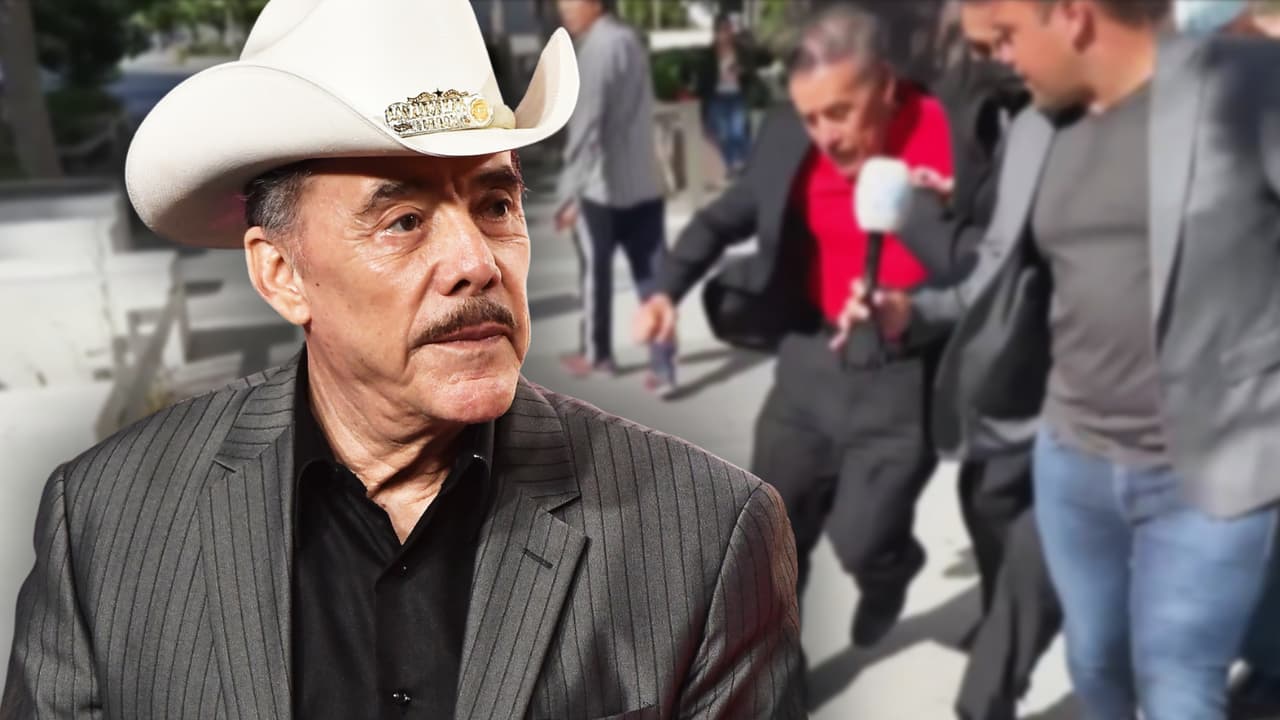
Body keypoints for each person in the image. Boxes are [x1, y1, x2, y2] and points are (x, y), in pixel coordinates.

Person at [0, 1, 806, 717]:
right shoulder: (106, 521)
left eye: (496, 203)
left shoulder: (706, 536)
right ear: (280, 274)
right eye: (404, 220)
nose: (476, 261)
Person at [839, 0, 1280, 716]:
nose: (1000, 56)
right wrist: (908, 312)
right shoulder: (1036, 129)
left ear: (1074, 15)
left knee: (1176, 676)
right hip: (1074, 465)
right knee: (1096, 663)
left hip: (1209, 469)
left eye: (1009, 35)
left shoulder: (1251, 84)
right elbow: (993, 279)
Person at [636, 2, 953, 650]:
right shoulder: (790, 141)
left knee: (864, 537)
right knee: (774, 533)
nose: (826, 135)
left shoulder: (948, 131)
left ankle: (889, 570)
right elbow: (721, 218)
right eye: (811, 117)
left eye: (840, 112)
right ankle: (775, 675)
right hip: (811, 358)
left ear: (885, 85)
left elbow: (992, 259)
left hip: (902, 370)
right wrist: (666, 290)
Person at [909, 3, 1062, 717]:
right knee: (991, 494)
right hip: (1032, 368)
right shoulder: (1024, 121)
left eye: (1002, 38)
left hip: (1147, 416)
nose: (997, 55)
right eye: (981, 45)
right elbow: (995, 253)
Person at [554, 0, 678, 396]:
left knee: (597, 275)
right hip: (644, 182)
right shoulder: (629, 41)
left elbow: (586, 128)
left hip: (602, 189)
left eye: (570, 2)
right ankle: (664, 368)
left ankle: (599, 357)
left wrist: (567, 195)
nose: (564, 10)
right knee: (653, 278)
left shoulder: (596, 49)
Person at [694, 13, 765, 176]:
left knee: (738, 132)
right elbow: (703, 78)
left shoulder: (740, 50)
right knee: (723, 135)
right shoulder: (709, 53)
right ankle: (730, 166)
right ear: (716, 32)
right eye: (722, 30)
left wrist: (741, 71)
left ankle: (747, 165)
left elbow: (751, 68)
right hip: (717, 98)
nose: (725, 34)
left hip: (736, 96)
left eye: (728, 29)